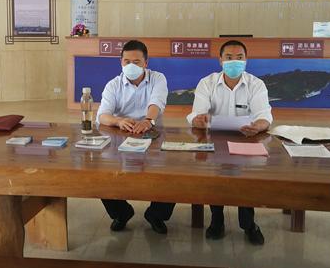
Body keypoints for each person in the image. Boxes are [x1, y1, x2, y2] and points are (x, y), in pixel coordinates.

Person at [186, 40, 270, 244]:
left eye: (239, 58)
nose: (234, 62)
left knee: (245, 181)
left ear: (246, 60)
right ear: (220, 60)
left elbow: (264, 115)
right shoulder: (207, 83)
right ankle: (217, 220)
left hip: (246, 139)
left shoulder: (256, 84)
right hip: (214, 139)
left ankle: (249, 224)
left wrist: (259, 126)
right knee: (216, 179)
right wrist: (198, 119)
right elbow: (197, 113)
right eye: (229, 58)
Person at [96, 40, 175, 234]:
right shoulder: (113, 85)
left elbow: (156, 103)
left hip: (152, 133)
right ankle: (122, 213)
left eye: (137, 62)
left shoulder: (158, 78)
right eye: (127, 61)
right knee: (103, 175)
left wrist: (148, 120)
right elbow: (102, 115)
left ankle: (156, 215)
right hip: (121, 135)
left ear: (146, 63)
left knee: (170, 175)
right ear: (121, 62)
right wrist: (118, 121)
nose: (131, 66)